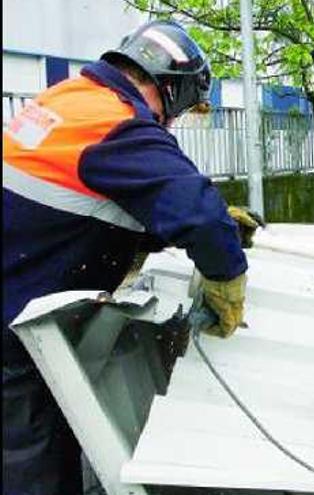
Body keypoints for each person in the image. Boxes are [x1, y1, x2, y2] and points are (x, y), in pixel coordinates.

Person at [3, 20, 259, 495]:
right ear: (171, 87)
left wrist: (162, 231)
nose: (174, 121)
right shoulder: (118, 123)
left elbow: (78, 204)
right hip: (13, 327)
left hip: (17, 277)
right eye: (181, 106)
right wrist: (227, 281)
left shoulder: (66, 99)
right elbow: (199, 215)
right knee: (31, 462)